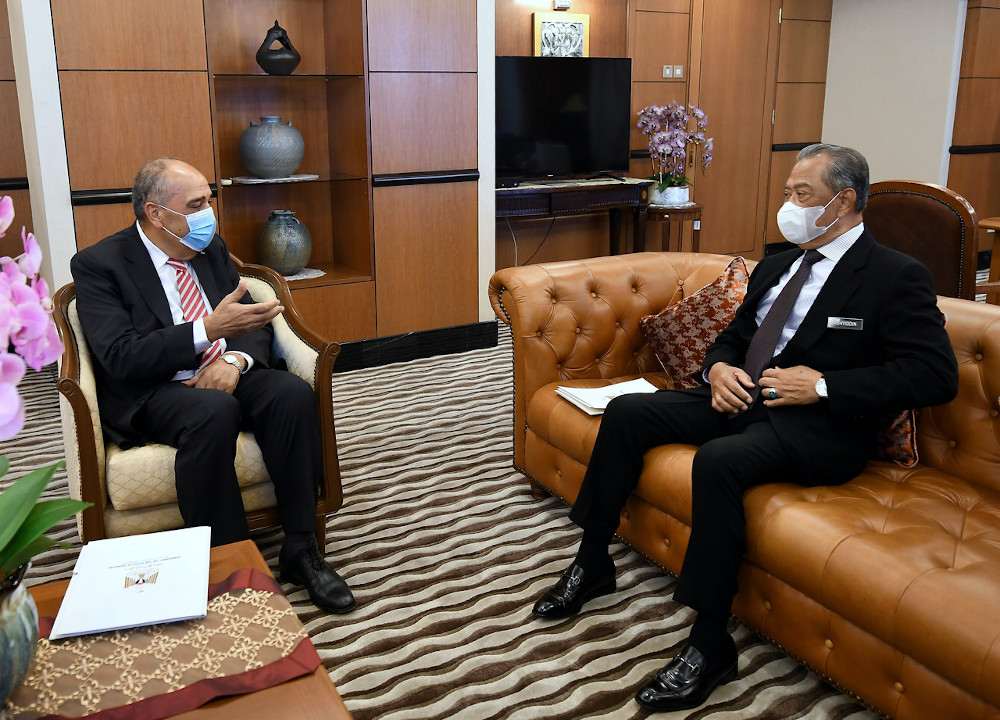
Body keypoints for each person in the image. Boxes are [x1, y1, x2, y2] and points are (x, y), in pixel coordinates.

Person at [529, 144, 959, 711]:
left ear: (844, 200)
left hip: (820, 426)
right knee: (630, 413)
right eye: (787, 193)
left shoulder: (895, 276)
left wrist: (824, 385)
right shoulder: (780, 262)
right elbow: (734, 335)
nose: (787, 205)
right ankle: (592, 561)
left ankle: (709, 644)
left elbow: (934, 374)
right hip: (739, 398)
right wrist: (719, 367)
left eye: (800, 195)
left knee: (719, 462)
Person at [71, 157, 356, 614]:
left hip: (223, 365)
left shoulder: (210, 249)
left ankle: (301, 550)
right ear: (156, 213)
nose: (209, 213)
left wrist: (235, 358)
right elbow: (120, 356)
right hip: (156, 388)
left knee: (291, 395)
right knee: (212, 412)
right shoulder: (99, 264)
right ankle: (231, 563)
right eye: (197, 203)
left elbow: (249, 320)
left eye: (209, 199)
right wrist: (206, 329)